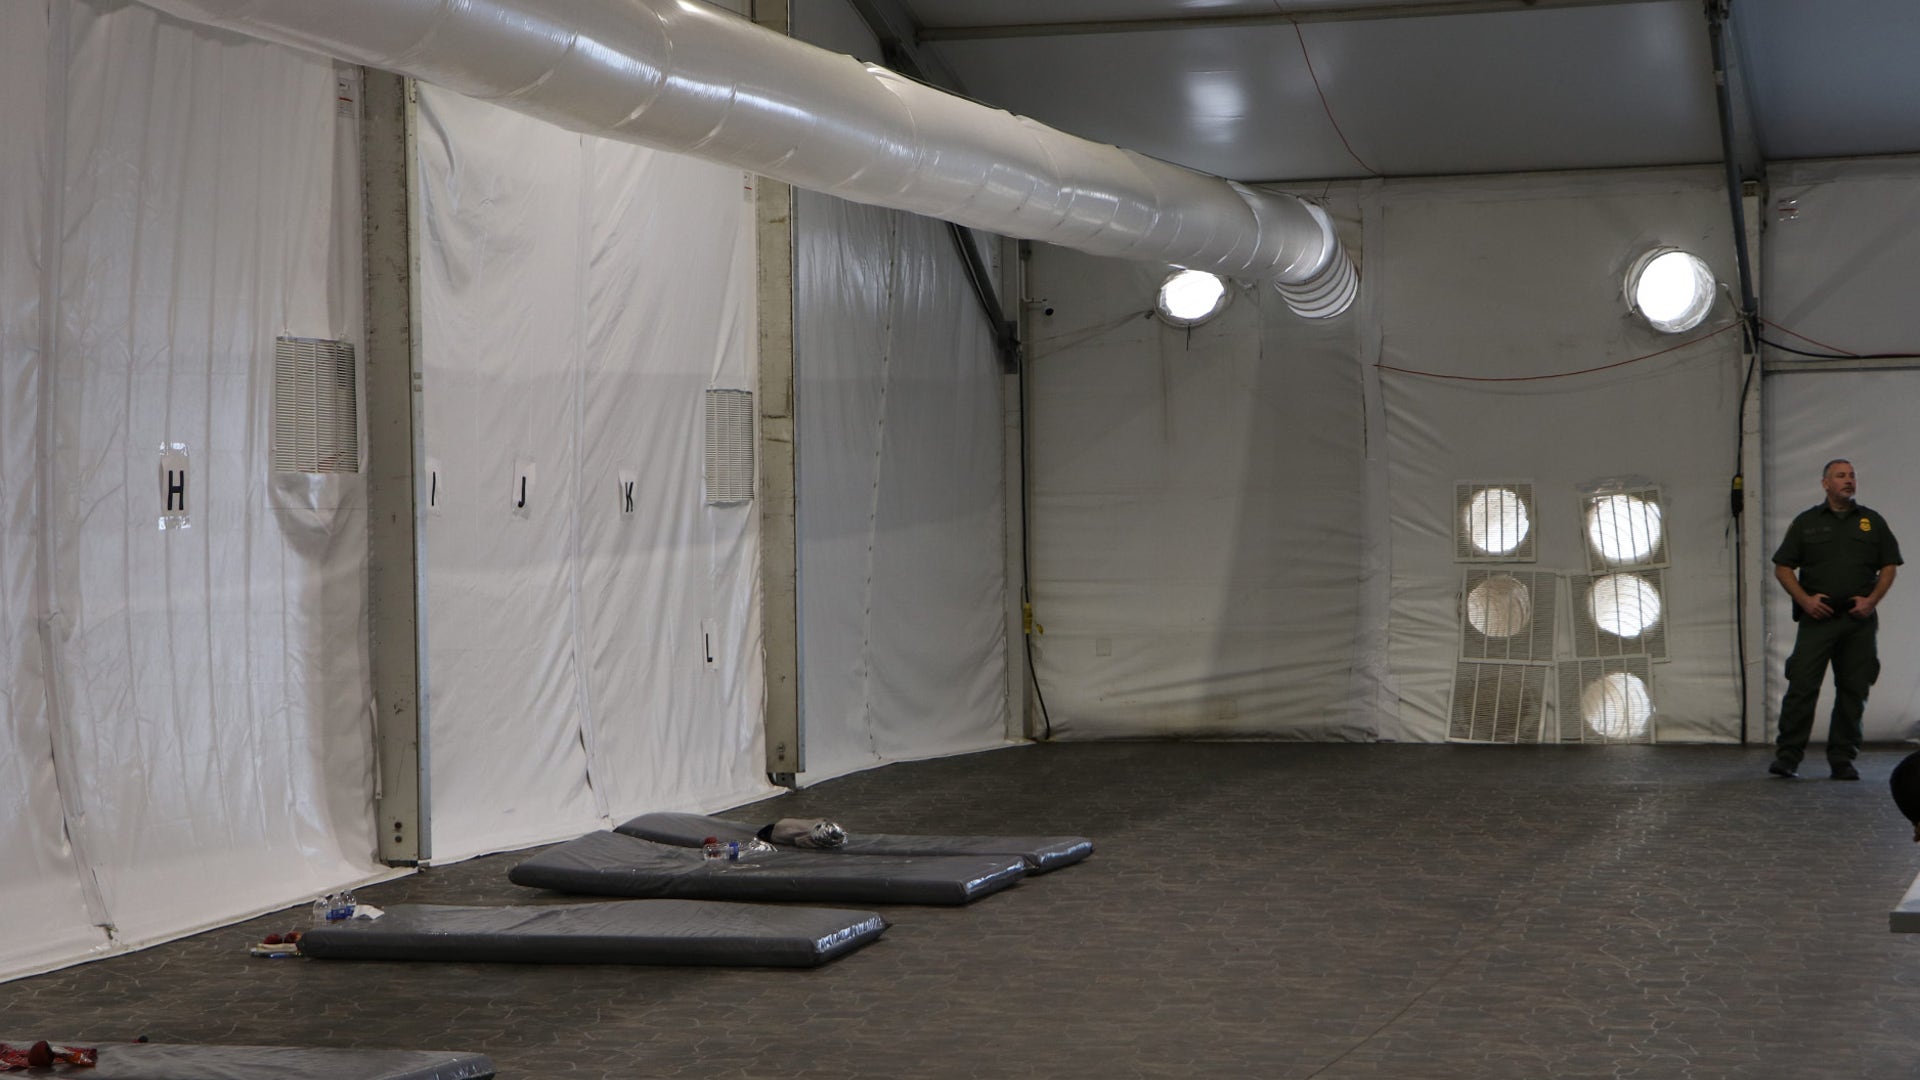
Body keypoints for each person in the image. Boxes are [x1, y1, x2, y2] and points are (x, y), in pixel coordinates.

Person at [1769, 459, 1901, 780]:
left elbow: (1889, 565)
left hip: (1858, 621)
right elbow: (1783, 567)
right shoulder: (1807, 523)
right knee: (1801, 686)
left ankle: (1843, 757)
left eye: (1852, 475)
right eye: (1841, 476)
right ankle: (1788, 757)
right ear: (1825, 484)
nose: (1849, 480)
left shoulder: (1871, 522)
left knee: (1854, 689)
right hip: (1819, 618)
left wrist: (1871, 601)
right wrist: (1804, 600)